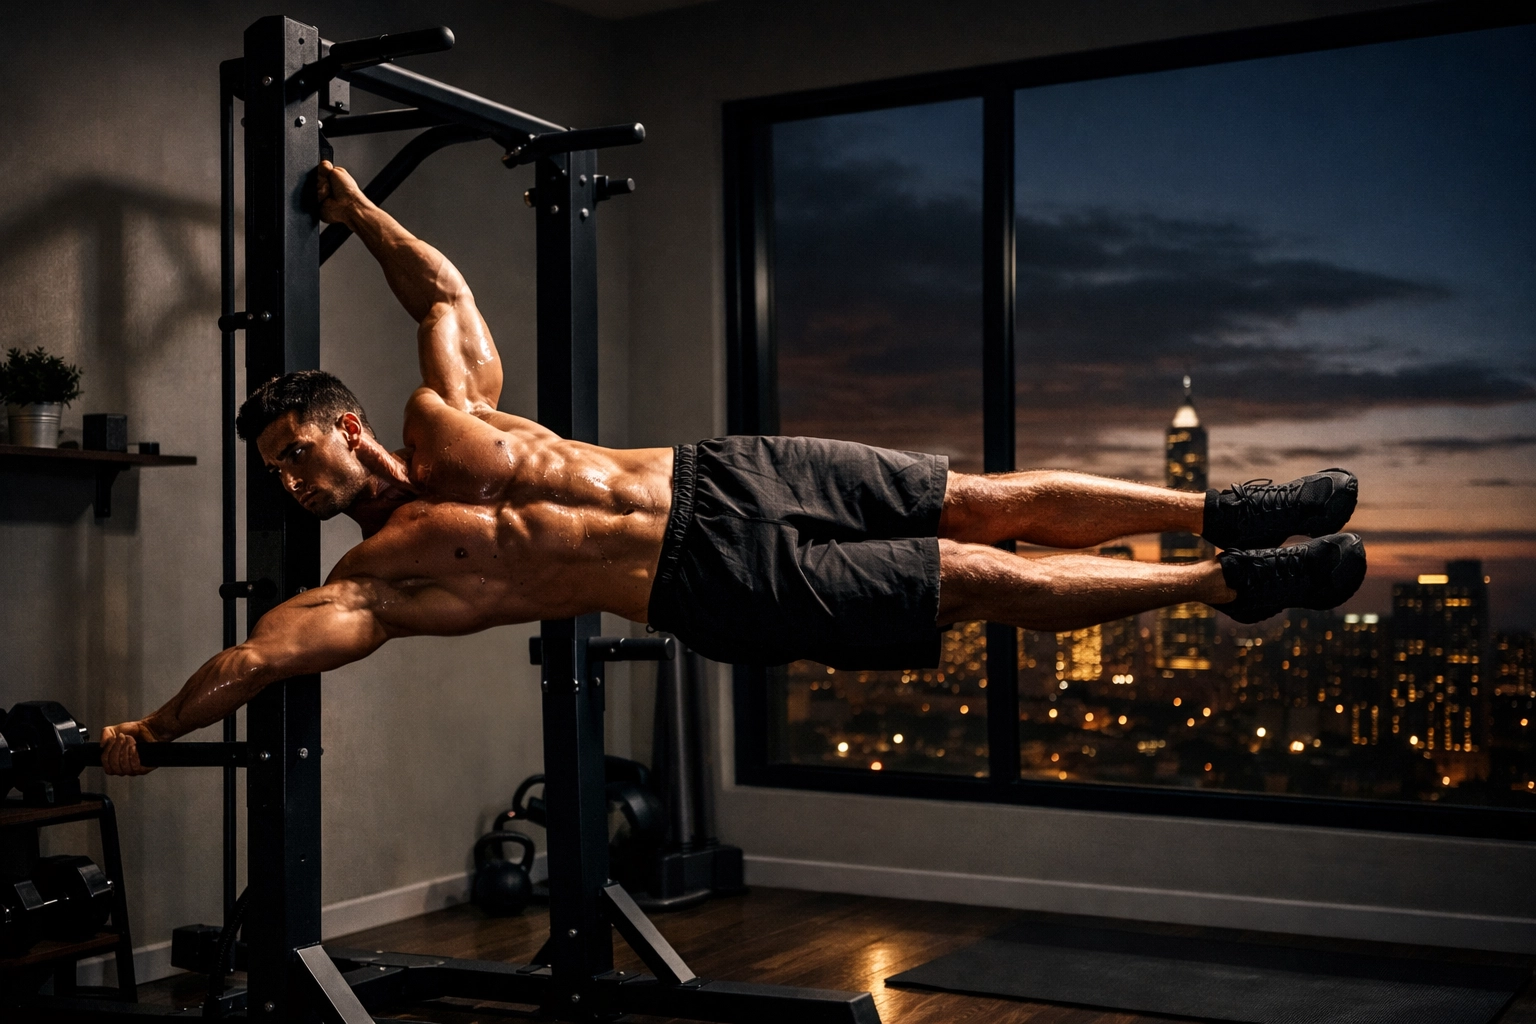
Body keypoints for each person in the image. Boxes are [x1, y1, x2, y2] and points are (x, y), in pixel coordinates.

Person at [98, 161, 1366, 775]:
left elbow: (445, 285)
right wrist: (151, 730)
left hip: (732, 471)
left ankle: (1229, 508)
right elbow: (264, 655)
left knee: (982, 495)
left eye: (291, 451)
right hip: (707, 584)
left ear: (339, 416)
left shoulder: (449, 412)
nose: (290, 480)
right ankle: (1221, 581)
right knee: (975, 573)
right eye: (276, 472)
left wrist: (363, 208)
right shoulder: (381, 573)